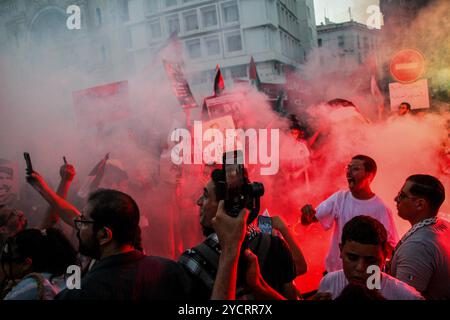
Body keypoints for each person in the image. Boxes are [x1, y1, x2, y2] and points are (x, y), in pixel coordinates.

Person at [26, 171, 191, 300]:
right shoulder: (170, 271)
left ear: (104, 235)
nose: (78, 226)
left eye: (83, 222)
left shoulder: (82, 293)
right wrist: (43, 188)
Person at [179, 169, 298, 300]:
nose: (199, 201)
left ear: (225, 206)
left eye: (206, 196)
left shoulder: (193, 261)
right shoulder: (275, 244)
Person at [301, 155, 399, 272]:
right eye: (348, 168)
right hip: (336, 271)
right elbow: (309, 220)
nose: (349, 173)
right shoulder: (340, 198)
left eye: (355, 169)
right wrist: (306, 215)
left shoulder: (381, 208)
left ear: (370, 175)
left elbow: (391, 249)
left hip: (365, 276)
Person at [317, 216, 423, 300]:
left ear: (384, 256)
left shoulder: (406, 296)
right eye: (352, 258)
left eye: (370, 261)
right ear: (340, 251)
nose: (360, 267)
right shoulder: (329, 282)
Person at [389, 174, 450, 299]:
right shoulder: (443, 225)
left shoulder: (417, 247)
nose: (396, 199)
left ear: (420, 204)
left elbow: (402, 297)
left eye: (402, 196)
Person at [1, 228, 78, 300]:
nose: (2, 265)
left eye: (7, 261)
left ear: (26, 264)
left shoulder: (33, 285)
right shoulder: (62, 277)